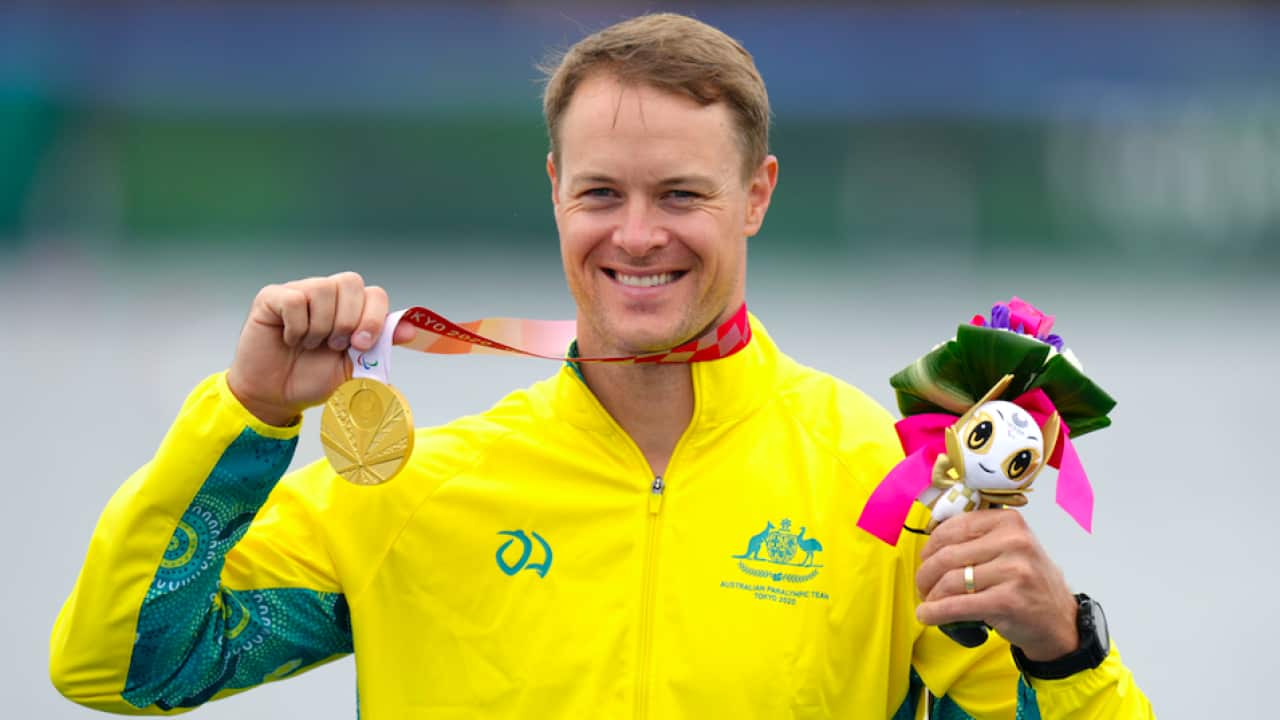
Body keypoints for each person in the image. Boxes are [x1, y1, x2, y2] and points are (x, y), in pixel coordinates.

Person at [50, 13, 1152, 719]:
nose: (636, 236)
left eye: (680, 195)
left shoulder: (890, 482)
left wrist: (1062, 652)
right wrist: (246, 417)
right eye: (599, 194)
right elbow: (123, 664)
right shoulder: (415, 488)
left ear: (756, 194)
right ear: (552, 190)